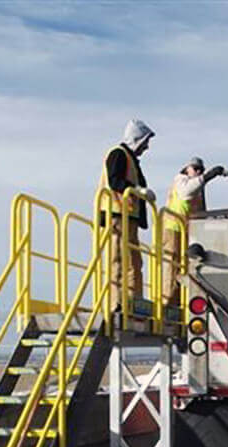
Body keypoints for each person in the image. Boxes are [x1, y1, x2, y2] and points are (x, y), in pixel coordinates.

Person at [97, 119, 156, 309]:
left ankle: (133, 301)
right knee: (119, 260)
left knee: (134, 262)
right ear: (136, 139)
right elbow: (115, 182)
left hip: (128, 216)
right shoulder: (118, 154)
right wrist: (138, 190)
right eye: (145, 142)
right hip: (116, 214)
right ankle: (117, 302)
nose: (146, 147)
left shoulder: (131, 159)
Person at [162, 157, 227, 305]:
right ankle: (167, 303)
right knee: (172, 267)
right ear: (187, 168)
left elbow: (201, 213)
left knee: (184, 271)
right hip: (173, 228)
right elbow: (186, 192)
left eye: (201, 170)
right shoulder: (181, 180)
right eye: (195, 168)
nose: (198, 172)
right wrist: (208, 176)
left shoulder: (198, 190)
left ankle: (176, 304)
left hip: (186, 232)